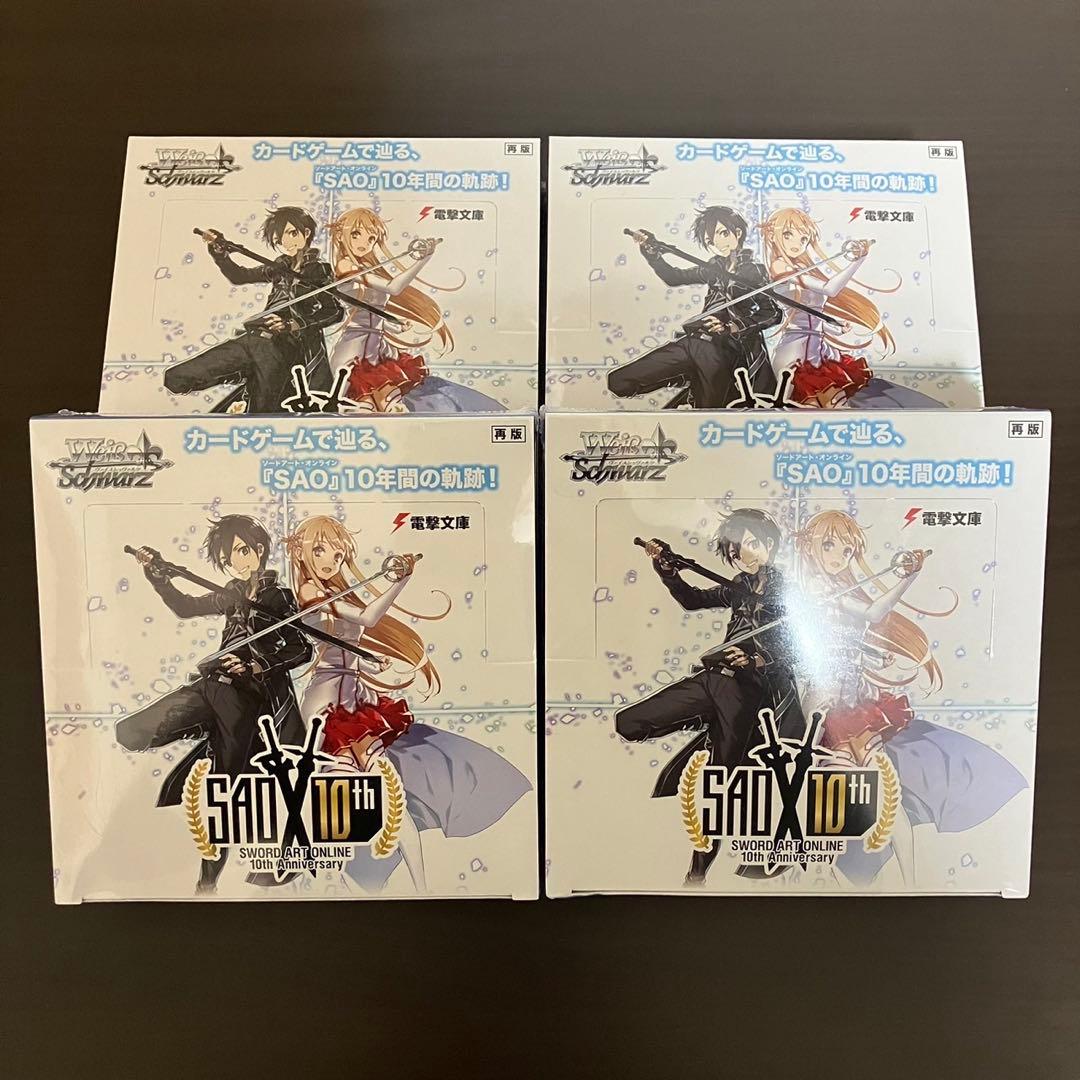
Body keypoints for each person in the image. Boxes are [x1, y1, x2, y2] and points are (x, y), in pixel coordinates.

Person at [286, 516, 530, 893]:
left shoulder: (336, 592)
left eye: (336, 554)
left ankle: (422, 890)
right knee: (340, 804)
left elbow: (351, 641)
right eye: (319, 550)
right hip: (325, 705)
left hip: (354, 700)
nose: (328, 561)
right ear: (300, 550)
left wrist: (368, 662)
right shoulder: (308, 592)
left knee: (391, 799)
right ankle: (347, 884)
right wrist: (400, 582)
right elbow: (367, 618)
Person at [796, 510, 1024, 885]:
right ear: (810, 545)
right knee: (836, 800)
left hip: (856, 703)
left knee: (888, 797)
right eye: (830, 545)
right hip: (824, 705)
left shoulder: (837, 590)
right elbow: (862, 618)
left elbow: (859, 627)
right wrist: (905, 580)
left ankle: (911, 883)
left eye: (847, 551)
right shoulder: (810, 589)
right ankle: (838, 881)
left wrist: (907, 580)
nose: (838, 557)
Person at [115, 516, 311, 894]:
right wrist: (159, 577)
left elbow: (301, 648)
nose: (237, 562)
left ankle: (207, 883)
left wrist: (256, 665)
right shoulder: (231, 592)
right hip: (210, 686)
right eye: (228, 557)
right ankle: (200, 730)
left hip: (245, 700)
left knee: (226, 794)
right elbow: (186, 606)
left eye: (242, 551)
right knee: (131, 731)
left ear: (258, 550)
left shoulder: (278, 597)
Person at [615, 509, 804, 885]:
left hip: (748, 692)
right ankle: (701, 723)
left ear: (769, 544)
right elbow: (693, 600)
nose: (745, 554)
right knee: (628, 722)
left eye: (752, 543)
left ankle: (697, 874)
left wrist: (758, 659)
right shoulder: (738, 584)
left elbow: (801, 646)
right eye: (736, 549)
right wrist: (668, 572)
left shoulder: (789, 592)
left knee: (721, 786)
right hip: (713, 678)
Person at [164, 207, 344, 412]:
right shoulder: (280, 266)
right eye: (280, 239)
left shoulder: (318, 269)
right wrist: (220, 254)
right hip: (255, 338)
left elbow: (334, 311)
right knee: (177, 377)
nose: (286, 242)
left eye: (292, 233)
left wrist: (292, 324)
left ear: (307, 233)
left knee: (262, 411)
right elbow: (240, 276)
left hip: (285, 346)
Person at [761, 207, 943, 409]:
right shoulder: (780, 266)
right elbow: (829, 289)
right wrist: (858, 261)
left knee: (842, 403)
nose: (797, 244)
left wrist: (832, 327)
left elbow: (809, 316)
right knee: (817, 407)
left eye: (803, 239)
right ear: (772, 235)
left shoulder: (801, 268)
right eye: (788, 235)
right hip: (795, 354)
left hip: (818, 351)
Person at [328, 208, 504, 413]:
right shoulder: (345, 265)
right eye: (356, 234)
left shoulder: (368, 266)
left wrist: (394, 327)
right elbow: (393, 288)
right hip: (354, 350)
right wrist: (422, 260)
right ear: (340, 235)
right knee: (364, 407)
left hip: (377, 350)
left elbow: (373, 314)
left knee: (392, 406)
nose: (364, 243)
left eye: (371, 238)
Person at [608, 206, 783, 407]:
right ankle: (688, 376)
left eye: (723, 233)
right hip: (695, 340)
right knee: (619, 381)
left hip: (725, 349)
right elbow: (674, 277)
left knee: (706, 412)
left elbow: (773, 313)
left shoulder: (753, 270)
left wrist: (733, 326)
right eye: (710, 241)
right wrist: (653, 255)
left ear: (737, 233)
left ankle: (696, 382)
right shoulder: (713, 268)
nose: (718, 243)